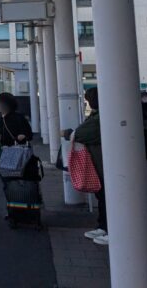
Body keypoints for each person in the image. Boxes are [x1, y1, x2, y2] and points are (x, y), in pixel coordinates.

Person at [63, 88, 107, 246]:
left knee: (107, 198)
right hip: (98, 163)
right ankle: (103, 226)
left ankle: (111, 229)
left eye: (89, 99)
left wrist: (69, 133)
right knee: (102, 197)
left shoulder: (101, 116)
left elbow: (80, 133)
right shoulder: (98, 115)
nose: (88, 103)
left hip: (104, 163)